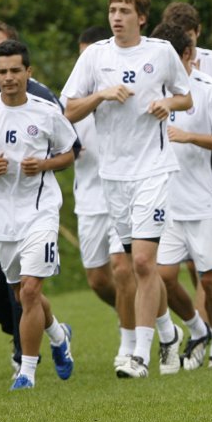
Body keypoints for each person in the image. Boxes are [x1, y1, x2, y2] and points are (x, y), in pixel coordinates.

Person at [62, 0, 193, 378]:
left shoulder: (161, 52)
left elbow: (185, 97)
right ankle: (168, 334)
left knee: (141, 261)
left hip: (153, 169)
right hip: (113, 177)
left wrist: (166, 103)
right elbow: (69, 111)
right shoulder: (95, 58)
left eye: (124, 11)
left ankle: (137, 355)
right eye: (112, 10)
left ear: (141, 17)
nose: (116, 18)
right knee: (135, 269)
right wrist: (101, 95)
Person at [0, 40, 77, 391]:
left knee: (30, 291)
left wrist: (44, 164)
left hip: (40, 212)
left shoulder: (46, 111)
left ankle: (26, 372)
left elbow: (68, 153)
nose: (8, 77)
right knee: (22, 293)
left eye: (15, 71)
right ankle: (58, 335)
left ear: (28, 72)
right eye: (2, 71)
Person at [150, 22, 212, 369]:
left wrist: (190, 138)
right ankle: (196, 328)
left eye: (171, 56)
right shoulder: (155, 90)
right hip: (168, 201)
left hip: (207, 201)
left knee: (210, 279)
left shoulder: (208, 89)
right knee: (162, 276)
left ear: (187, 55)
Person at [69, 26, 136, 367]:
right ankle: (135, 311)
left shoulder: (129, 91)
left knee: (123, 268)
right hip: (90, 199)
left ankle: (129, 344)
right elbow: (62, 127)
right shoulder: (75, 102)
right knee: (98, 280)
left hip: (125, 193)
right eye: (84, 56)